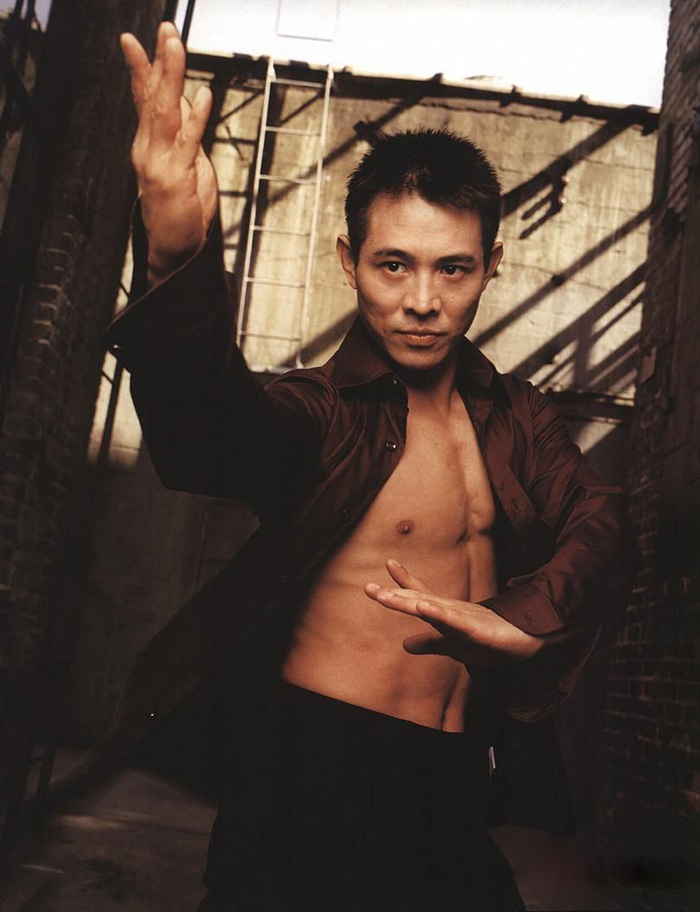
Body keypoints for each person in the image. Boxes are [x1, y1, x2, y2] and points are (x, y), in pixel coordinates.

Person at [107, 21, 622, 911]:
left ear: (492, 266)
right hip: (310, 771)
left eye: (453, 270)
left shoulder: (517, 415)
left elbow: (601, 515)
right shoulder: (322, 410)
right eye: (394, 265)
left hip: (452, 779)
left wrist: (525, 616)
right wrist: (178, 257)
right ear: (350, 263)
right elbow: (208, 435)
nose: (422, 301)